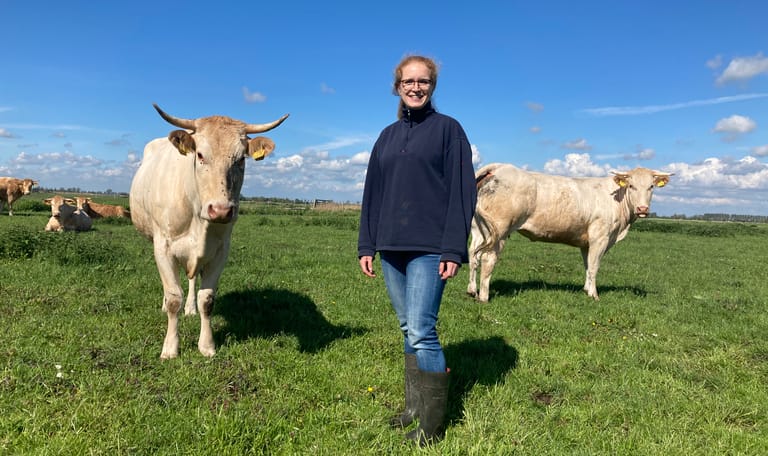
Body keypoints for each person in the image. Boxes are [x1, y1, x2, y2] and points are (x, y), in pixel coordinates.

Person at [357, 54, 477, 446]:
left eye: (423, 81)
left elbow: (463, 192)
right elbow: (373, 193)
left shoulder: (449, 131)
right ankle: (413, 409)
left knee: (423, 330)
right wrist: (367, 244)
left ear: (433, 86)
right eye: (408, 81)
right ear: (398, 86)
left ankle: (431, 426)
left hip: (430, 248)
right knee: (408, 327)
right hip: (391, 247)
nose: (415, 87)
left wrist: (452, 249)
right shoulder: (387, 136)